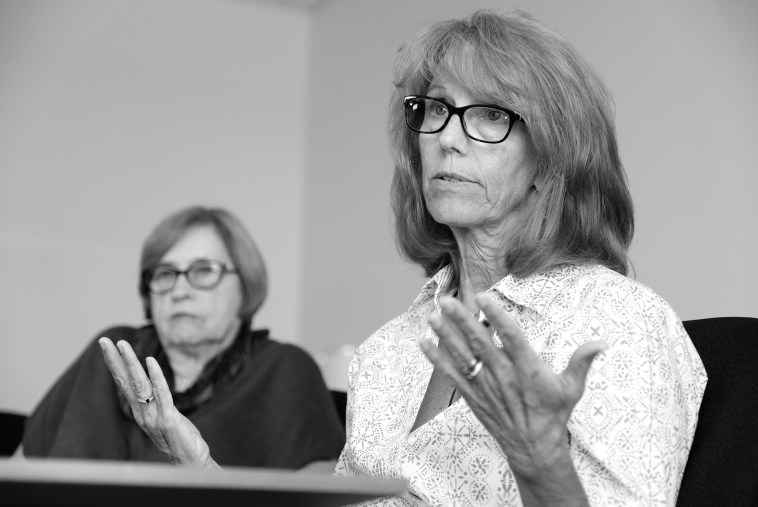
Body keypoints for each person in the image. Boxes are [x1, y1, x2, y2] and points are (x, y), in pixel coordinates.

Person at [97, 9, 707, 506]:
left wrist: (539, 462)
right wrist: (197, 463)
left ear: (553, 158)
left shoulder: (621, 324)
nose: (446, 136)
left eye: (490, 114)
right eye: (435, 109)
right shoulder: (389, 350)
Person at [23, 206, 345, 469]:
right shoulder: (112, 353)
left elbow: (320, 494)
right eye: (165, 274)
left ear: (246, 284)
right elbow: (19, 470)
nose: (179, 290)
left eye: (203, 271)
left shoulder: (284, 369)